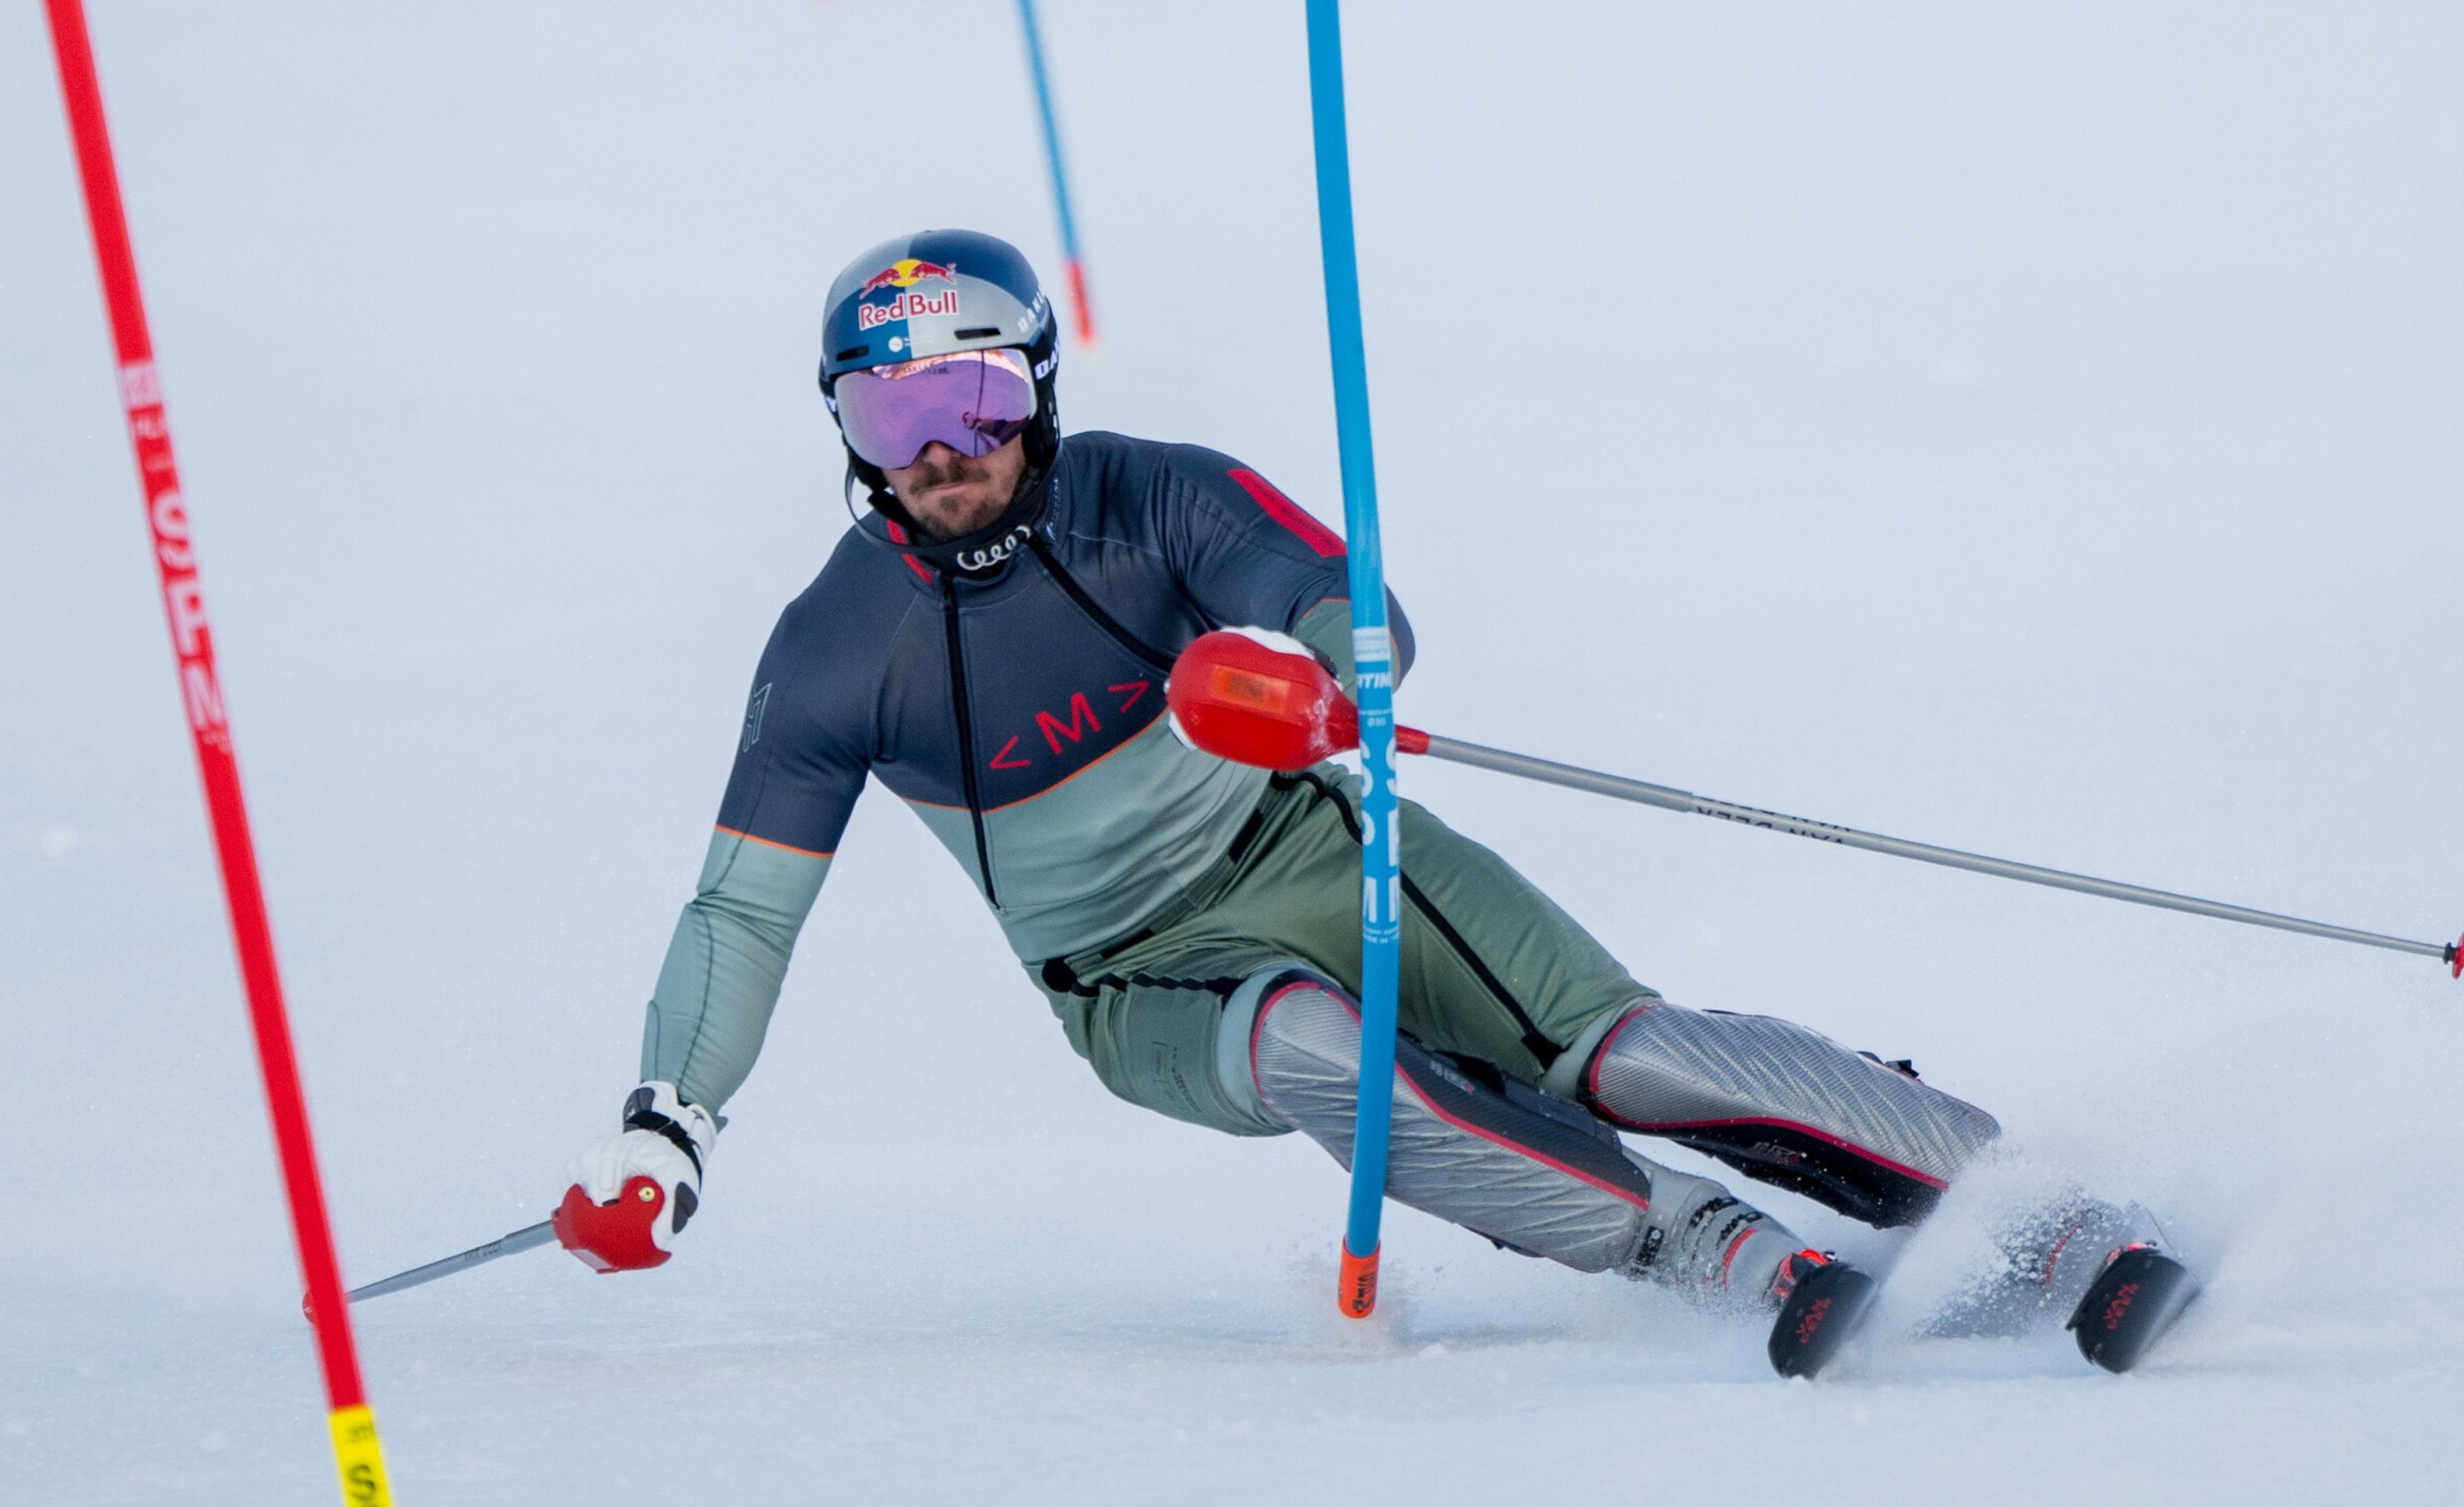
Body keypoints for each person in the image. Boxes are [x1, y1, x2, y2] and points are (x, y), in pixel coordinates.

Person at [549, 230, 2026, 1375]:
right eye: (888, 413)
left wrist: (1336, 668)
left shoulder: (1149, 496)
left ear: (1038, 389)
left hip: (1321, 844)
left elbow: (1329, 590)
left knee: (1626, 1058)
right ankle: (1697, 1245)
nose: (939, 451)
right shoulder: (831, 649)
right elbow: (741, 909)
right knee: (1323, 1047)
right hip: (1136, 983)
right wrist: (668, 1123)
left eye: (973, 393)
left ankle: (2016, 1195)